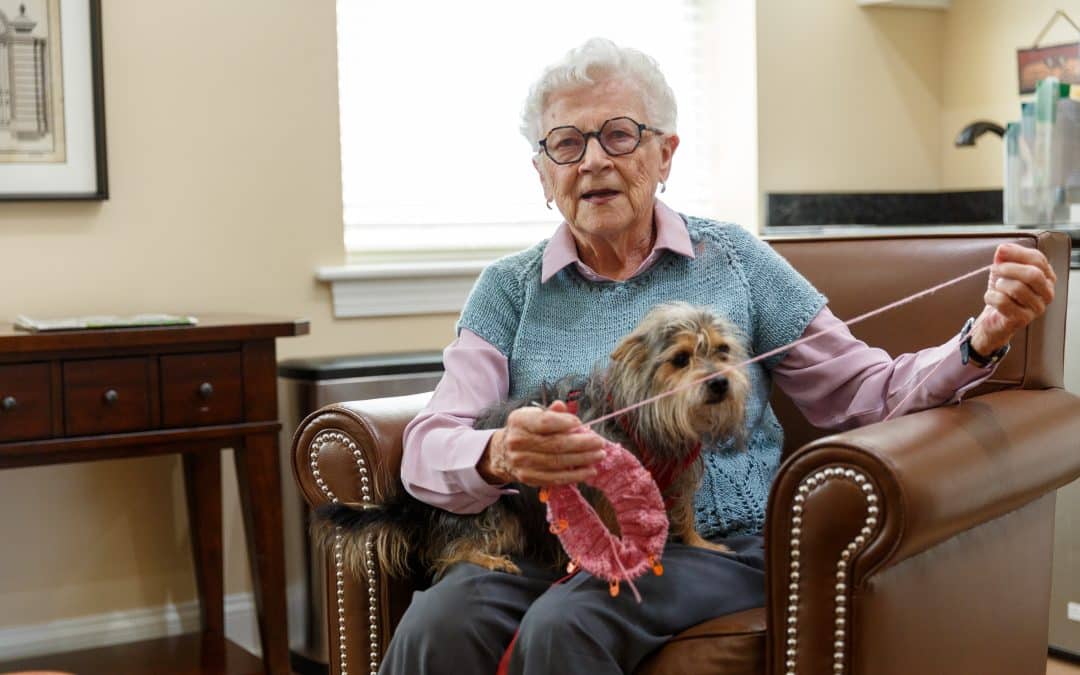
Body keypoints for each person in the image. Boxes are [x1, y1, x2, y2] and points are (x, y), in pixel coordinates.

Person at [380, 38, 1058, 675]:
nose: (592, 161)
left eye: (619, 135)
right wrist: (496, 452)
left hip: (714, 545)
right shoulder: (508, 289)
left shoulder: (736, 261)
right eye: (566, 143)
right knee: (436, 621)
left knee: (569, 622)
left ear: (666, 154)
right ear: (542, 171)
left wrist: (980, 338)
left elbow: (868, 391)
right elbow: (427, 446)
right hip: (547, 540)